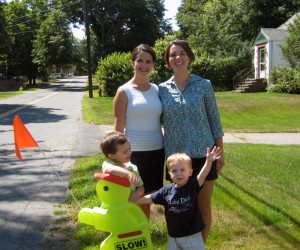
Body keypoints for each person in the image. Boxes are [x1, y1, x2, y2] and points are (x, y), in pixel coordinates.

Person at [158, 39, 225, 242]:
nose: (177, 57)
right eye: (172, 55)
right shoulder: (161, 89)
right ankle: (181, 244)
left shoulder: (204, 85)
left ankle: (199, 246)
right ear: (167, 62)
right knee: (180, 207)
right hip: (176, 161)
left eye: (182, 53)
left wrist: (220, 153)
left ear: (189, 57)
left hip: (204, 155)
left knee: (203, 205)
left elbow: (215, 120)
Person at [113, 44, 165, 218]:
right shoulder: (124, 91)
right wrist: (116, 156)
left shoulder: (157, 90)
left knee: (149, 196)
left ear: (153, 64)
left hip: (157, 151)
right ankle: (129, 233)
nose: (144, 65)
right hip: (133, 154)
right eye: (140, 60)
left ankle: (144, 233)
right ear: (132, 62)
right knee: (132, 197)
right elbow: (118, 127)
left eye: (148, 61)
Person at [136, 147, 222, 250]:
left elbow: (202, 175)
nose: (179, 173)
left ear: (190, 172)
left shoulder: (193, 185)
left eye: (182, 170)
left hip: (192, 236)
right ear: (170, 174)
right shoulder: (166, 191)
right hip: (173, 236)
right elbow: (149, 198)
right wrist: (133, 199)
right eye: (174, 171)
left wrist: (208, 161)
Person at [100, 131, 144, 202]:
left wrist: (136, 193)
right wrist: (128, 173)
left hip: (129, 205)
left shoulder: (132, 168)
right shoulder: (108, 163)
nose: (129, 152)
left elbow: (141, 187)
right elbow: (111, 170)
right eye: (125, 152)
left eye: (129, 148)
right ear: (111, 156)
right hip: (113, 204)